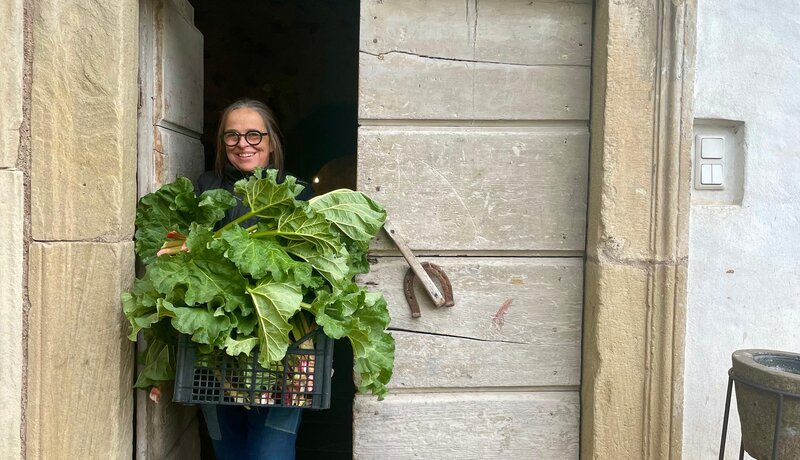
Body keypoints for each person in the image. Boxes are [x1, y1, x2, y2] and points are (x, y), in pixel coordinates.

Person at [195, 98, 311, 460]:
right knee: (227, 452)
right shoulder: (206, 187)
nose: (243, 143)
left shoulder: (297, 194)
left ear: (271, 141)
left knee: (270, 454)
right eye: (232, 135)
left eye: (253, 134)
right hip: (217, 352)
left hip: (284, 351)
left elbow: (311, 269)